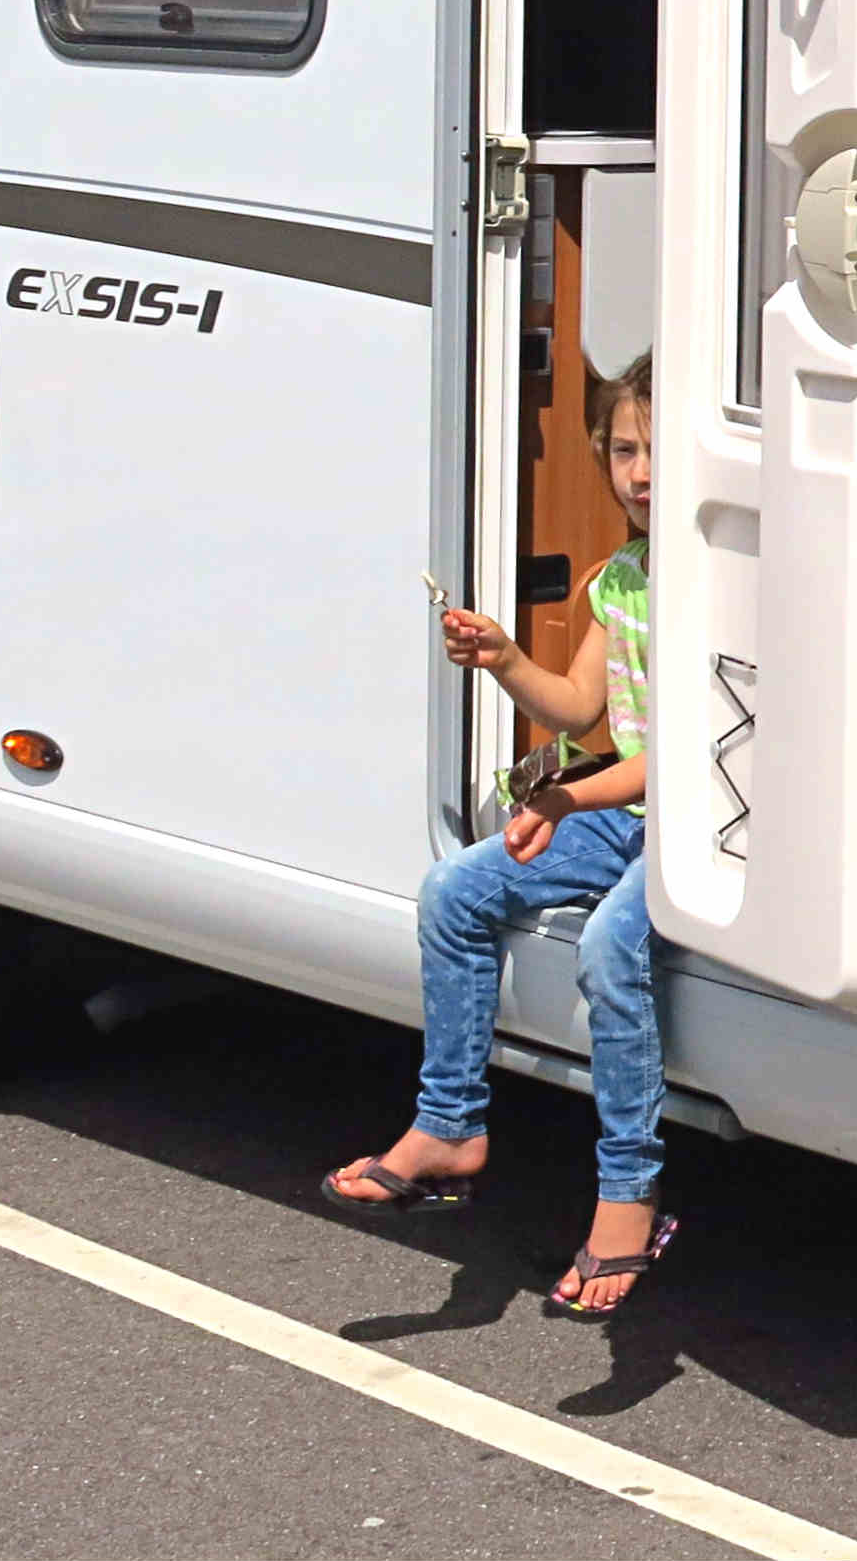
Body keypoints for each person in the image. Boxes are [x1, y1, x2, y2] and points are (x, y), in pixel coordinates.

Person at [324, 356, 675, 1319]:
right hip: (624, 812)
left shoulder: (727, 584)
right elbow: (577, 705)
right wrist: (506, 658)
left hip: (695, 830)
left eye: (659, 450)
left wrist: (563, 801)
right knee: (455, 891)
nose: (639, 471)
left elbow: (684, 757)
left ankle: (628, 1191)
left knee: (609, 949)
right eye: (623, 450)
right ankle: (447, 1127)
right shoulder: (621, 579)